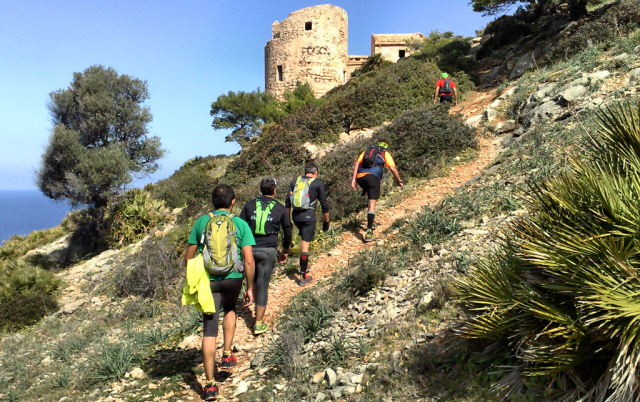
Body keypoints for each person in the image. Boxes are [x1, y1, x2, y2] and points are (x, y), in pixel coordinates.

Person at [184, 184, 255, 401]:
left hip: (208, 281)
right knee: (231, 308)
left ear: (213, 202)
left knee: (209, 328)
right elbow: (249, 260)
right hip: (233, 278)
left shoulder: (201, 222)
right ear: (233, 202)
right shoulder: (240, 223)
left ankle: (210, 385)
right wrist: (250, 287)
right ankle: (226, 354)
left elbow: (188, 256)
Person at [239, 177, 292, 335]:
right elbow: (287, 232)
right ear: (274, 190)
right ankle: (258, 322)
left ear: (261, 189)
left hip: (249, 249)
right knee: (262, 284)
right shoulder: (280, 208)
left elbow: (240, 226)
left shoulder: (249, 205)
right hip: (268, 250)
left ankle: (250, 297)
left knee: (254, 280)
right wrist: (285, 251)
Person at [285, 162, 330, 286]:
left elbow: (287, 203)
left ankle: (304, 263)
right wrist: (326, 221)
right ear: (315, 172)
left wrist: (287, 221)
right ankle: (303, 275)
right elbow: (324, 204)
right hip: (308, 216)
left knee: (304, 239)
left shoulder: (295, 181)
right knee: (305, 245)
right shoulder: (317, 183)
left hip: (295, 216)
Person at [350, 140, 404, 243]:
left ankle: (370, 220)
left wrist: (354, 180)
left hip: (360, 177)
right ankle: (369, 231)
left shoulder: (366, 151)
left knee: (369, 196)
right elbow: (392, 168)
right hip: (373, 177)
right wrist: (399, 181)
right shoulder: (385, 153)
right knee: (372, 202)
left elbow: (357, 163)